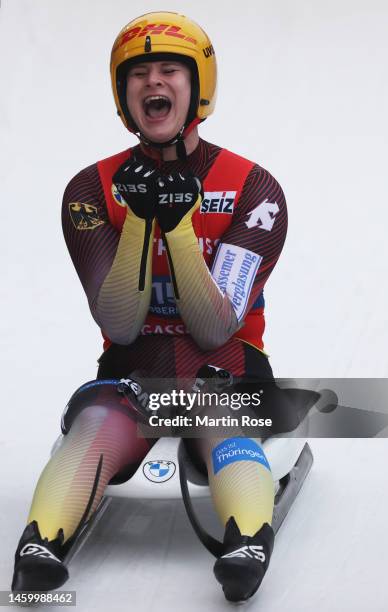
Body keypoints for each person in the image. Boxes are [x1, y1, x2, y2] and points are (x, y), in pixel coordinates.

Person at [11, 12, 287, 602]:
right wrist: (140, 219)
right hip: (131, 371)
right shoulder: (90, 189)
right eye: (138, 73)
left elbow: (215, 329)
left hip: (226, 369)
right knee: (93, 426)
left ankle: (246, 543)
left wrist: (179, 227)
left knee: (219, 418)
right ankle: (38, 546)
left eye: (168, 70)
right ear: (122, 92)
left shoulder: (253, 188)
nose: (152, 83)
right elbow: (119, 322)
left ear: (196, 88)